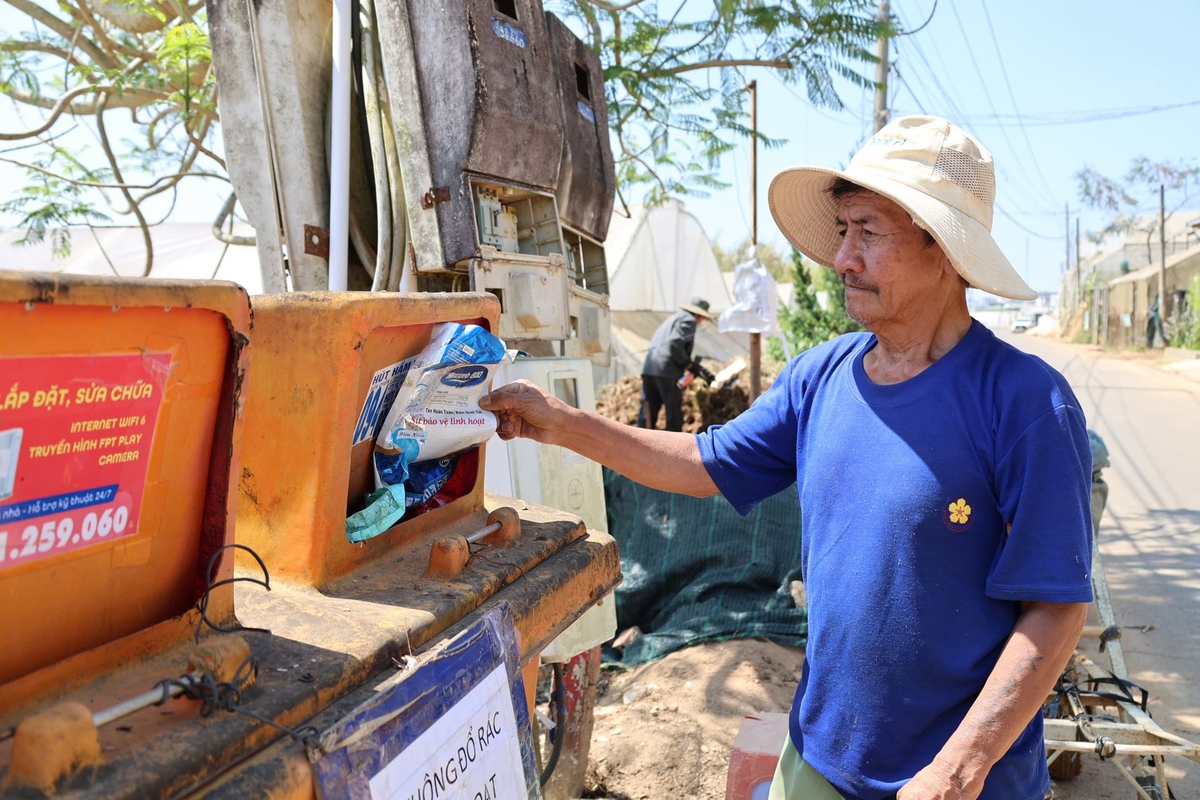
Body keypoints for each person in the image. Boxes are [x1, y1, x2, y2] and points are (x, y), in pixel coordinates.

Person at [481, 116, 1093, 800]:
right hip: (819, 760)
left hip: (964, 785)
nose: (843, 259)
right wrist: (561, 424)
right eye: (842, 231)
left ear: (942, 249)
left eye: (869, 232)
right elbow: (699, 463)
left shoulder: (1026, 402)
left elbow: (1056, 609)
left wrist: (960, 768)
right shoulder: (820, 377)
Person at [637, 297, 715, 431]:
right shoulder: (689, 320)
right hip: (667, 371)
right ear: (698, 315)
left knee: (648, 412)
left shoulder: (674, 318)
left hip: (650, 368)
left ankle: (639, 446)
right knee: (673, 414)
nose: (700, 322)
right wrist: (689, 364)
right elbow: (675, 344)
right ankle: (672, 449)